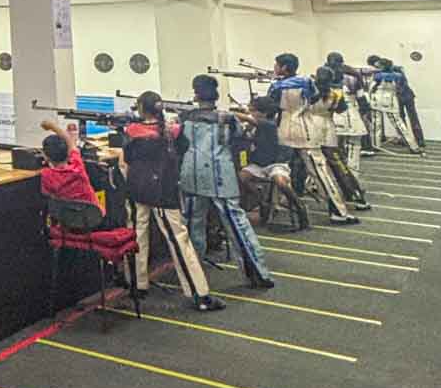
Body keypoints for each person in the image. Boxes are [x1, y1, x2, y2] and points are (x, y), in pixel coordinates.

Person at [121, 91, 223, 310]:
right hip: (163, 189)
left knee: (136, 234)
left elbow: (127, 160)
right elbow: (183, 149)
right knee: (179, 241)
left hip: (137, 187)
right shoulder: (172, 132)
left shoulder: (131, 131)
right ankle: (199, 294)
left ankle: (136, 285)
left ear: (141, 109)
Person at [176, 74, 275, 287]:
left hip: (192, 173)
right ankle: (258, 274)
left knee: (193, 225)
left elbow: (178, 141)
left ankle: (194, 275)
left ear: (196, 93)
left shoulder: (185, 117)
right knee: (238, 225)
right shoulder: (228, 118)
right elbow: (240, 138)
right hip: (221, 173)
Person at [267, 53, 356, 223]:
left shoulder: (276, 86)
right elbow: (314, 98)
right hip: (306, 128)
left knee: (278, 168)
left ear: (284, 67)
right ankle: (339, 211)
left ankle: (275, 207)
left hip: (284, 128)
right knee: (321, 173)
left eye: (277, 65)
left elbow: (271, 107)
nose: (275, 67)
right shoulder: (307, 81)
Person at [241, 96, 308, 230]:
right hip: (259, 164)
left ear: (264, 113)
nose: (251, 113)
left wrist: (230, 114)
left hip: (277, 163)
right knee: (242, 177)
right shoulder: (256, 126)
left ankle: (299, 206)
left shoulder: (269, 124)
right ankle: (262, 200)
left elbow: (248, 119)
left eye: (253, 110)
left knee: (280, 181)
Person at [315, 64, 371, 210]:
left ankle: (310, 187)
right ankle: (355, 195)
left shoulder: (309, 90)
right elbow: (344, 107)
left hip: (310, 129)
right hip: (330, 125)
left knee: (315, 163)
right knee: (339, 162)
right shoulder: (339, 90)